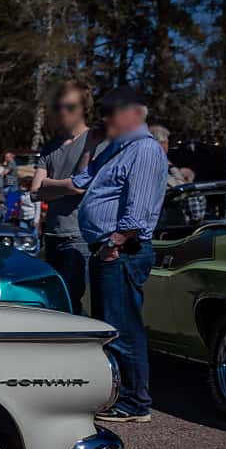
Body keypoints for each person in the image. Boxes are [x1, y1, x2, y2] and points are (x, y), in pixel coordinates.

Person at [68, 87, 168, 422]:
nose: (104, 119)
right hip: (108, 248)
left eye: (111, 113)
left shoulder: (144, 150)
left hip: (123, 250)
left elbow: (137, 214)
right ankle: (118, 395)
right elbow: (81, 180)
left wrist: (114, 245)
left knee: (123, 328)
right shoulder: (118, 148)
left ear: (134, 114)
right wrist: (92, 145)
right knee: (111, 327)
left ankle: (135, 401)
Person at [30, 79, 97, 312]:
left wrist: (50, 184)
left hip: (78, 237)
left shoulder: (94, 141)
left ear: (84, 108)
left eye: (70, 107)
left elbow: (81, 186)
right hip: (52, 236)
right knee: (53, 303)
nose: (63, 113)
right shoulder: (51, 147)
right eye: (59, 107)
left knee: (71, 303)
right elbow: (35, 193)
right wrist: (65, 185)